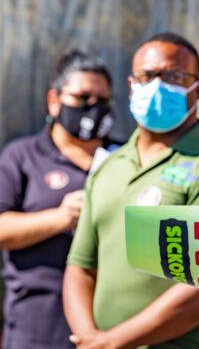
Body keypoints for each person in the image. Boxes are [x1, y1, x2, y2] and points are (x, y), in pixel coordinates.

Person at [64, 32, 199, 349]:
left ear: (197, 90)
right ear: (132, 85)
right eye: (147, 76)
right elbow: (80, 266)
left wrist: (113, 342)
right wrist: (90, 338)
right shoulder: (109, 165)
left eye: (173, 76)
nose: (157, 85)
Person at [0, 49, 115, 349]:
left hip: (113, 327)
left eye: (102, 101)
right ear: (54, 100)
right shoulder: (22, 156)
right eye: (82, 98)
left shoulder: (125, 157)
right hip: (37, 327)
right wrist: (63, 217)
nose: (93, 108)